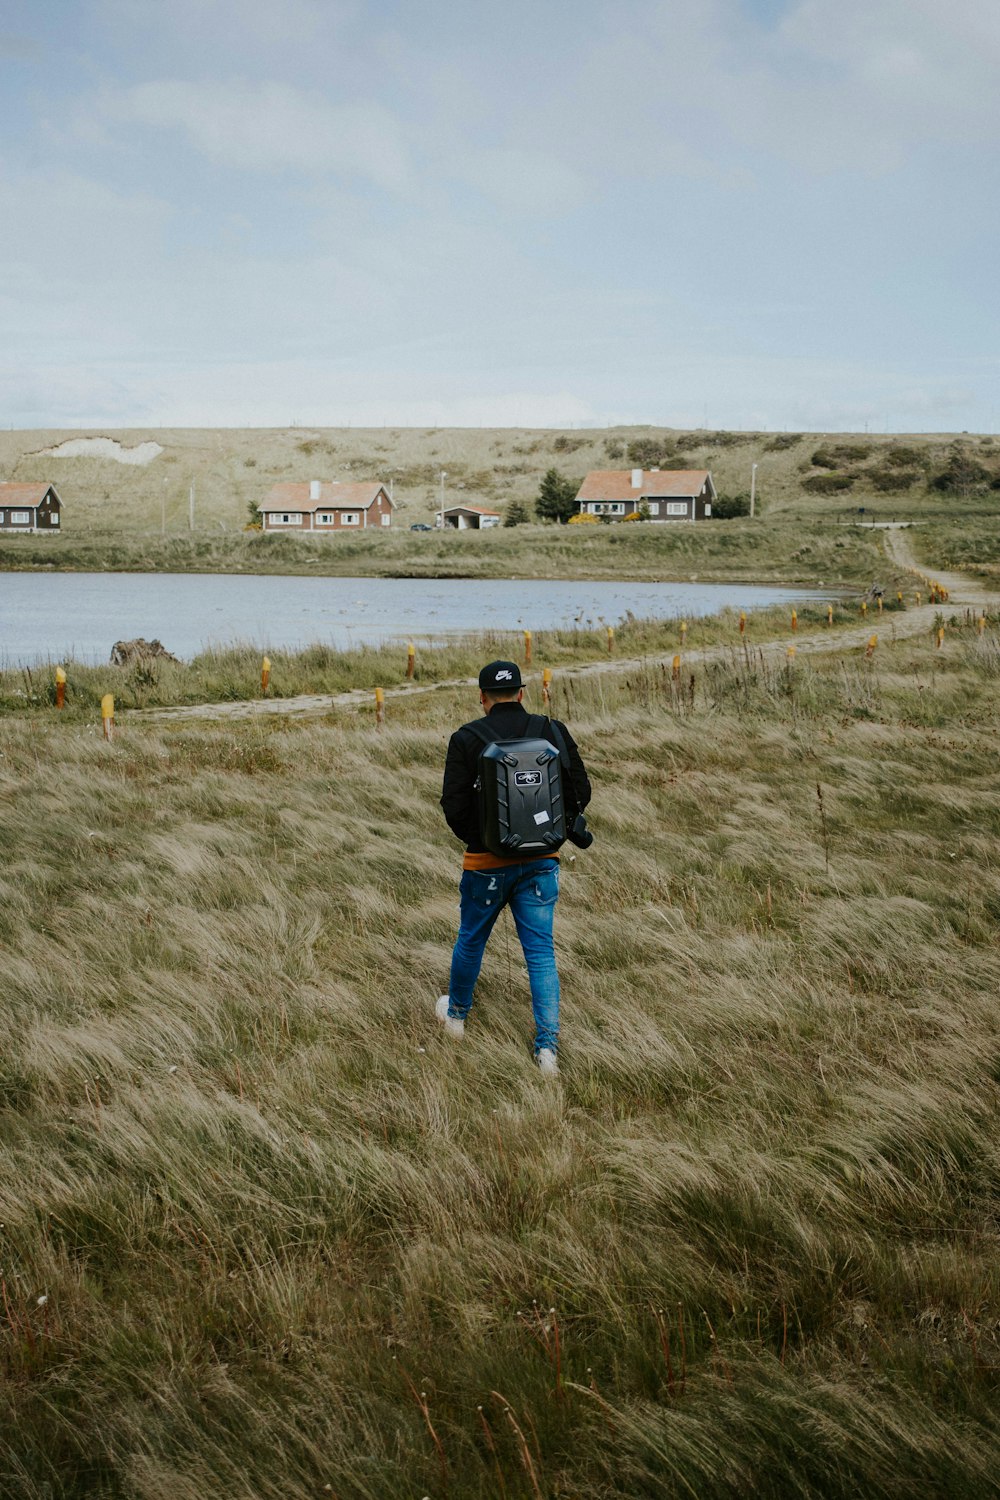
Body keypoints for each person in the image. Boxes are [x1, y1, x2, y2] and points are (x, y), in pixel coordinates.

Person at [438, 659, 591, 1075]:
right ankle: (546, 1051)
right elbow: (581, 790)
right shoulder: (552, 731)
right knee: (540, 953)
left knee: (471, 941)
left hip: (485, 864)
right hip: (542, 863)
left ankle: (455, 1018)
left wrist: (486, 839)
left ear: (483, 698)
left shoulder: (466, 737)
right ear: (522, 693)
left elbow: (453, 806)